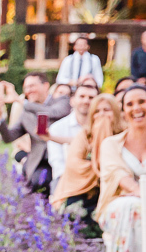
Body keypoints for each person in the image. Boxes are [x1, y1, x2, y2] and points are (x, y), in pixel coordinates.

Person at [51, 94, 123, 235]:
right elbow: (74, 164)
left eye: (106, 110)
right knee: (74, 213)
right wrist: (99, 168)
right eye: (97, 111)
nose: (102, 115)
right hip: (83, 189)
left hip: (115, 190)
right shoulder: (84, 135)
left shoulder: (123, 133)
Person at [0, 73, 71, 193]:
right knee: (39, 182)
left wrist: (19, 99)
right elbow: (8, 137)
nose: (28, 91)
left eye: (32, 86)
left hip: (64, 159)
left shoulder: (62, 101)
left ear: (45, 86)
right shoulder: (26, 114)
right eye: (26, 87)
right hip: (40, 162)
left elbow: (53, 112)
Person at [97, 86, 146, 252]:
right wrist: (141, 194)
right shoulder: (111, 144)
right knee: (132, 207)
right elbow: (120, 176)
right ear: (124, 111)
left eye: (142, 101)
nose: (137, 108)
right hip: (117, 208)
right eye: (130, 104)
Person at [46, 82, 99, 192]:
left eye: (91, 97)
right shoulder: (57, 128)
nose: (86, 101)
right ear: (72, 101)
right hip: (65, 178)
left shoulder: (102, 127)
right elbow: (57, 162)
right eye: (82, 96)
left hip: (96, 179)